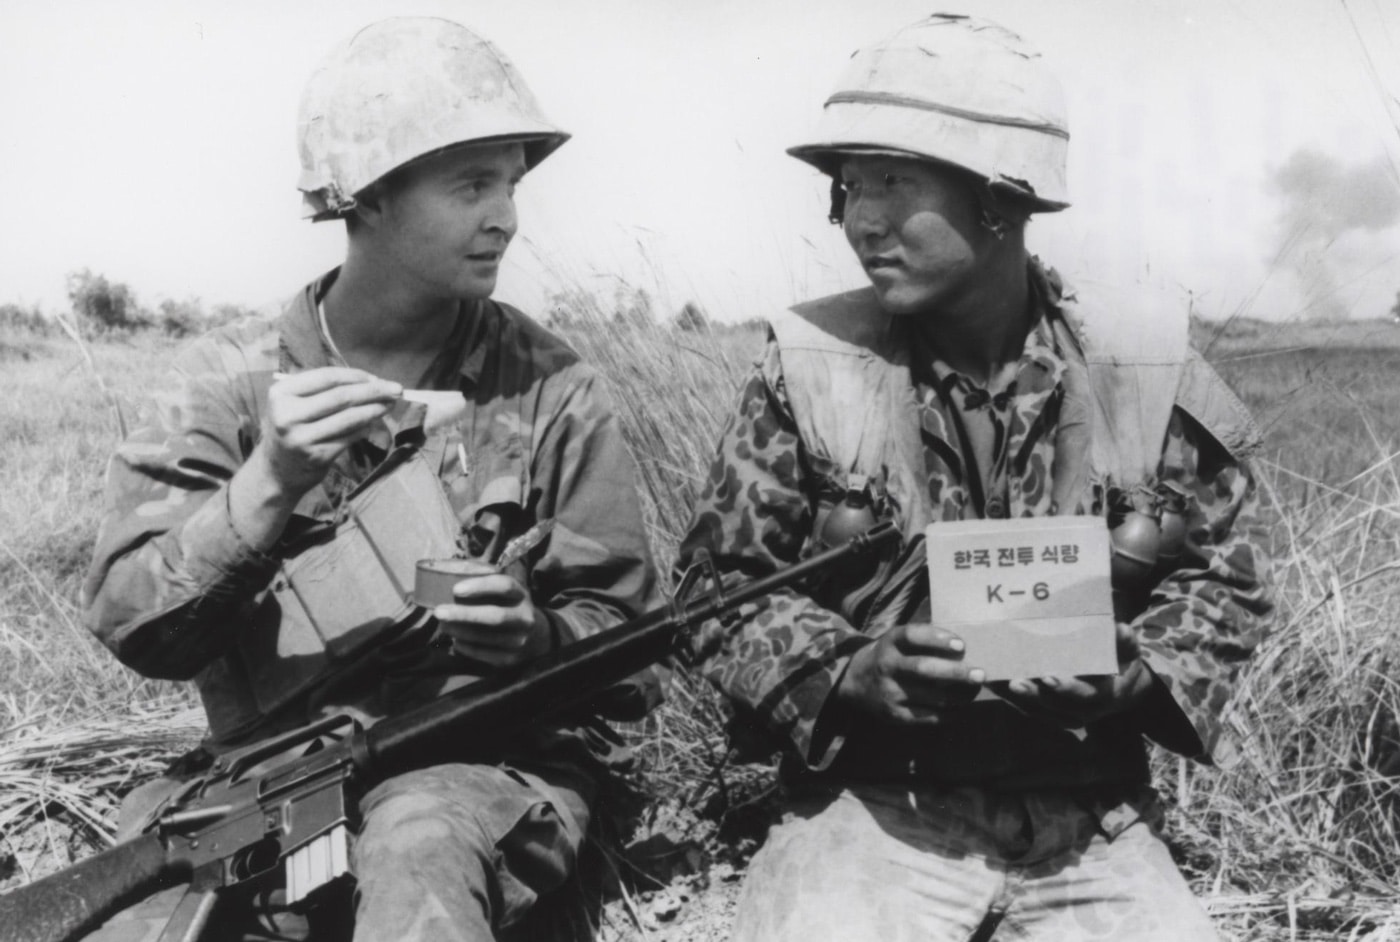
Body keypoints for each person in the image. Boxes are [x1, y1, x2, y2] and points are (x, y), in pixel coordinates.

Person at [677, 13, 1272, 942]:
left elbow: (1224, 579)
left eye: (895, 181)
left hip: (1092, 826)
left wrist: (1134, 675)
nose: (862, 217)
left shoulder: (1141, 365)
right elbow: (715, 590)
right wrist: (851, 674)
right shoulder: (811, 365)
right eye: (850, 185)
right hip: (872, 811)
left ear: (1000, 199)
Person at [81, 17, 657, 942]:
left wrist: (535, 636)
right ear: (369, 199)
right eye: (472, 183)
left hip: (473, 769)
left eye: (510, 183)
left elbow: (623, 647)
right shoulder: (223, 385)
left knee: (418, 849)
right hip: (259, 780)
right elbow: (134, 627)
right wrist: (266, 482)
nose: (506, 215)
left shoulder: (554, 389)